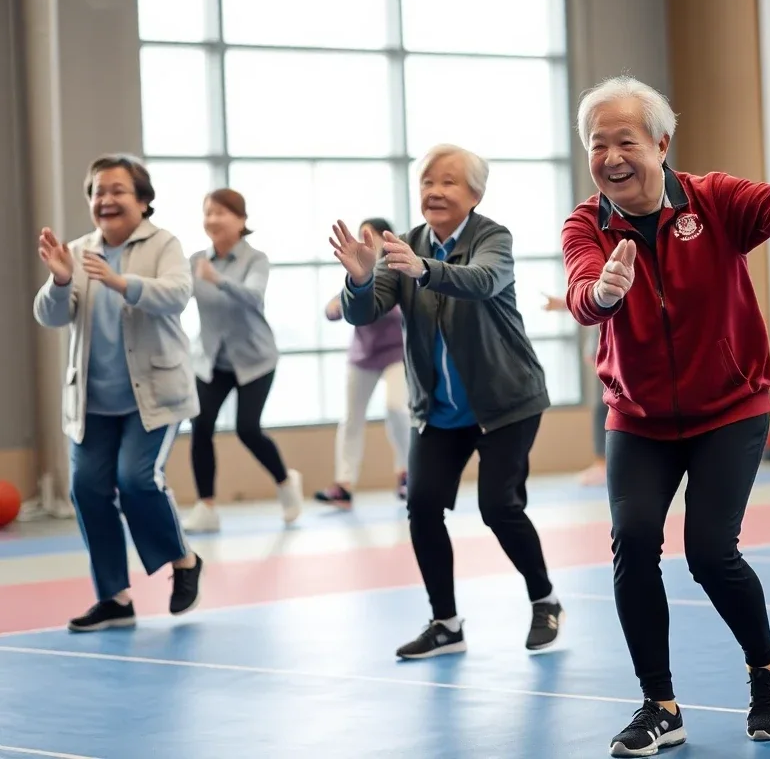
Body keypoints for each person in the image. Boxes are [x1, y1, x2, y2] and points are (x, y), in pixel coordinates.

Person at [561, 75, 770, 754]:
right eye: (597, 145)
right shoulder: (586, 224)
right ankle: (659, 705)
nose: (611, 157)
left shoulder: (712, 200)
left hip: (729, 408)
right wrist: (602, 293)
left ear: (661, 144)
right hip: (639, 417)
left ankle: (766, 666)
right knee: (633, 542)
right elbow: (580, 290)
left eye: (625, 141)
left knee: (710, 553)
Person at [332, 144, 563, 659]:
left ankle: (545, 600)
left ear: (475, 194)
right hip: (439, 411)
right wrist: (361, 279)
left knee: (498, 507)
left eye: (448, 182)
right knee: (421, 506)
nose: (434, 191)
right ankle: (446, 624)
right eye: (427, 182)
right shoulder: (404, 244)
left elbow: (483, 281)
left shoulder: (493, 238)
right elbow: (364, 312)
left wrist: (424, 269)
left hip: (506, 402)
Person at [32, 154, 203, 632]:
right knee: (86, 488)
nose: (105, 199)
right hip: (93, 402)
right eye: (97, 192)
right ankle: (114, 598)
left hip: (155, 397)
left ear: (143, 201)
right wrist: (60, 279)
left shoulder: (163, 244)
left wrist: (122, 283)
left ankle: (184, 561)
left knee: (136, 480)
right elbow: (50, 315)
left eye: (117, 190)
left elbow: (177, 294)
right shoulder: (77, 250)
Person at [181, 189, 302, 533]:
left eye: (221, 212)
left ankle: (285, 482)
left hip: (255, 360)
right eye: (208, 212)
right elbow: (177, 298)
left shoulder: (255, 259)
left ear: (241, 220)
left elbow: (253, 297)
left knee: (247, 429)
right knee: (201, 426)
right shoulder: (195, 261)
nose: (212, 219)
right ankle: (206, 507)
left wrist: (217, 279)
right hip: (211, 361)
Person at [316, 218, 410, 508]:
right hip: (362, 356)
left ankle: (406, 473)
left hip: (395, 354)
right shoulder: (358, 270)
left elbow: (401, 309)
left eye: (370, 234)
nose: (364, 239)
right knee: (351, 418)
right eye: (361, 234)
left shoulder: (398, 270)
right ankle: (343, 486)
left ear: (386, 237)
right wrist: (339, 305)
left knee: (397, 408)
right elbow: (334, 308)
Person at [542, 293, 607, 485]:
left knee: (605, 409)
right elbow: (590, 303)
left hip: (611, 355)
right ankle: (603, 463)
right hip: (602, 354)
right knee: (601, 408)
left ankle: (604, 464)